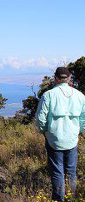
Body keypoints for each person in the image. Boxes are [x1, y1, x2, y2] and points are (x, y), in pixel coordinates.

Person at [35, 67, 85, 202]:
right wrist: (78, 132)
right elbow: (83, 119)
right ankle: (72, 198)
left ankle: (58, 199)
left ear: (55, 78)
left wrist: (44, 131)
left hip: (54, 139)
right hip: (72, 140)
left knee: (57, 173)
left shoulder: (49, 95)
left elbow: (40, 118)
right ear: (69, 78)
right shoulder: (80, 96)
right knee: (71, 172)